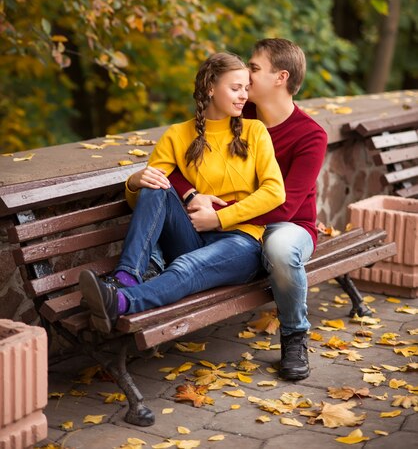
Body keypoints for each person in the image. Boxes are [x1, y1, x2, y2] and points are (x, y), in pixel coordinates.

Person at [79, 52, 286, 334]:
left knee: (186, 265)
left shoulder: (254, 131)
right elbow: (145, 202)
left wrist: (220, 218)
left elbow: (275, 192)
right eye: (235, 88)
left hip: (241, 242)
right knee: (156, 186)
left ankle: (120, 302)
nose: (243, 96)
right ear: (210, 88)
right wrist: (135, 182)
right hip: (192, 236)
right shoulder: (177, 135)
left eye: (246, 88)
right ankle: (126, 277)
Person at [168, 39, 328, 381]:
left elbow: (286, 206)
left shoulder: (310, 135)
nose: (246, 77)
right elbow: (180, 156)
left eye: (254, 69)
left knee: (281, 249)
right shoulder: (239, 115)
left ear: (280, 77)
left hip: (290, 224)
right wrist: (192, 193)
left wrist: (221, 217)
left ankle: (294, 336)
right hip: (237, 224)